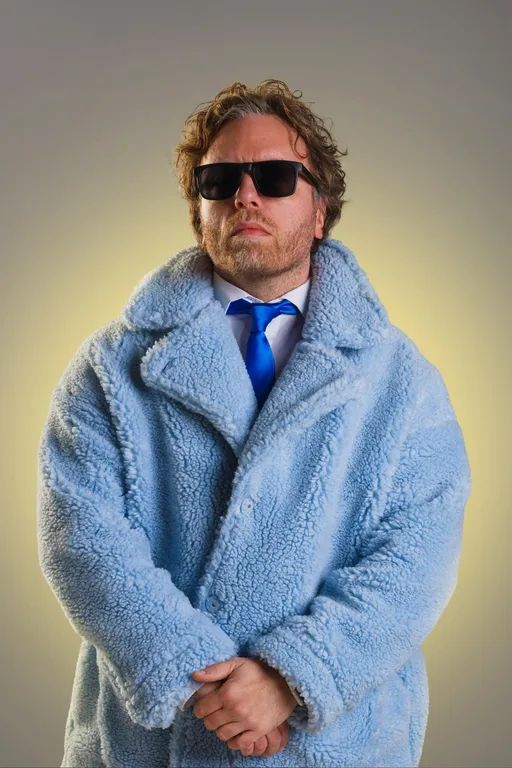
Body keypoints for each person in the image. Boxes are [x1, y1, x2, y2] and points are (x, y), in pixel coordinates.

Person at [37, 79, 472, 768]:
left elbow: (417, 556)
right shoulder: (110, 367)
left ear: (320, 210)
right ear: (198, 210)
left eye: (274, 177)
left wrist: (291, 676)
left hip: (332, 745)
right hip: (150, 745)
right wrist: (195, 674)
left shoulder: (401, 381)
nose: (246, 196)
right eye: (220, 181)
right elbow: (80, 538)